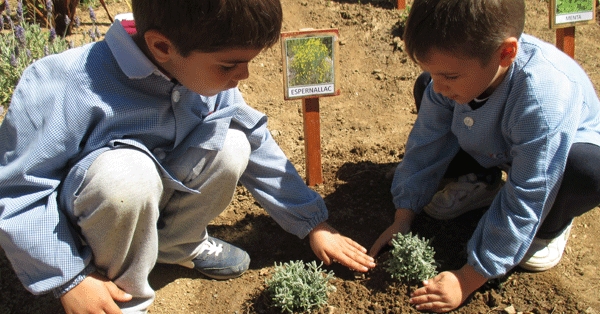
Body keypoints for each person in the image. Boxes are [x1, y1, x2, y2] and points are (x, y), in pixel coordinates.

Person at [0, 0, 376, 313]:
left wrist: (313, 224)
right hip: (96, 218)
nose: (242, 75)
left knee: (234, 143)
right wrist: (70, 278)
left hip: (155, 193)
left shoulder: (198, 67)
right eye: (230, 65)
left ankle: (177, 246)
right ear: (162, 47)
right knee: (125, 176)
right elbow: (18, 193)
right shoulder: (63, 84)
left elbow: (257, 143)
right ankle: (119, 291)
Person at [369, 0, 600, 312]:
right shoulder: (464, 71)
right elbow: (427, 142)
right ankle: (482, 181)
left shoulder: (543, 98)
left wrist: (468, 277)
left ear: (505, 53)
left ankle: (550, 227)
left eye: (449, 75)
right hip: (495, 143)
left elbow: (529, 192)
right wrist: (404, 214)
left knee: (587, 169)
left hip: (553, 162)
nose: (440, 85)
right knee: (429, 91)